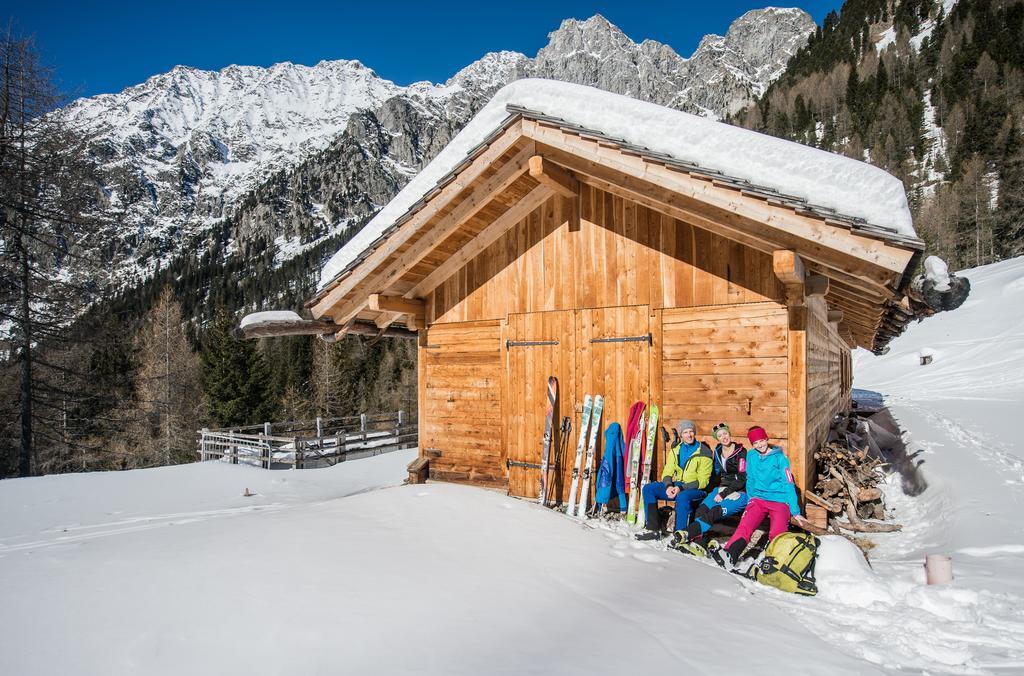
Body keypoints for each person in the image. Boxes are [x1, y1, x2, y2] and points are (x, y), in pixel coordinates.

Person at [710, 426, 810, 568]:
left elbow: (789, 484)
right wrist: (751, 498)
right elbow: (750, 478)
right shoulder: (751, 455)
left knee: (777, 532)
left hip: (779, 501)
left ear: (767, 439)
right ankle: (730, 553)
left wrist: (795, 511)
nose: (759, 445)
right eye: (755, 443)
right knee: (745, 526)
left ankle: (774, 562)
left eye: (761, 441)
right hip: (758, 499)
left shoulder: (780, 459)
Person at [635, 419, 713, 540]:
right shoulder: (676, 450)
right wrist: (668, 486)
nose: (689, 435)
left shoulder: (704, 452)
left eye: (691, 431)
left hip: (696, 489)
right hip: (677, 486)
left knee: (683, 497)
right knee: (649, 489)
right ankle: (653, 529)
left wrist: (681, 488)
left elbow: (703, 481)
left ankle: (680, 534)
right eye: (685, 432)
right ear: (681, 435)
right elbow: (667, 471)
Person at [671, 422, 747, 545]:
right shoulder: (717, 451)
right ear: (717, 438)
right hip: (722, 488)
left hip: (738, 490)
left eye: (725, 433)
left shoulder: (741, 452)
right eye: (720, 435)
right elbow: (715, 471)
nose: (724, 437)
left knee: (715, 511)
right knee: (701, 510)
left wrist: (724, 494)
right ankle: (700, 541)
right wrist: (710, 490)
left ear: (729, 434)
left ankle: (688, 533)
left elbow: (742, 478)